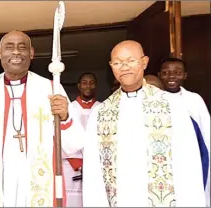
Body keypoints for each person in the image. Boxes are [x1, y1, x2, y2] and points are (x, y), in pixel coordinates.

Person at [0, 30, 84, 207]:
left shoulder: (51, 89)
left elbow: (74, 146)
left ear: (31, 53)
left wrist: (65, 118)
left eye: (22, 47)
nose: (16, 52)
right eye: (9, 47)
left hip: (36, 183)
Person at [83, 40, 206, 207]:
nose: (124, 67)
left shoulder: (172, 105)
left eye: (131, 61)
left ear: (144, 62)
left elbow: (188, 162)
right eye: (118, 63)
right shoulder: (100, 112)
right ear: (111, 66)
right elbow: (93, 170)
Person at [158, 57, 210, 206]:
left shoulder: (194, 100)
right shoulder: (154, 100)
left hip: (190, 161)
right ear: (160, 75)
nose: (171, 76)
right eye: (166, 72)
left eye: (177, 72)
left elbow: (206, 134)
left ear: (185, 75)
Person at [64, 72, 101, 207]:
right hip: (70, 166)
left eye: (92, 83)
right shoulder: (69, 108)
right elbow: (62, 136)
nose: (88, 86)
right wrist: (77, 162)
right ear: (79, 86)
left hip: (96, 165)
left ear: (96, 86)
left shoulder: (102, 108)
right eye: (84, 83)